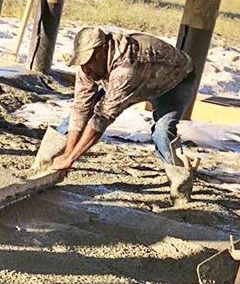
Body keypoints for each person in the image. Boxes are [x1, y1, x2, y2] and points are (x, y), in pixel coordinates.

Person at [53, 27, 199, 205]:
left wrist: (71, 159)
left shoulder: (127, 67)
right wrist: (67, 154)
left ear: (103, 50)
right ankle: (45, 162)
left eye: (89, 61)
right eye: (82, 62)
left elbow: (102, 118)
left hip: (174, 81)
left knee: (162, 131)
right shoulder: (88, 66)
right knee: (76, 117)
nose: (86, 68)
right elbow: (81, 108)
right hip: (137, 80)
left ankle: (181, 188)